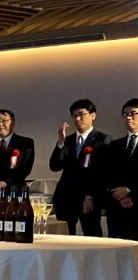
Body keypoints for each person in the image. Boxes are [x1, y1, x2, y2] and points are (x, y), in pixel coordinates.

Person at [50, 98, 111, 236]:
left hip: (87, 197)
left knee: (92, 234)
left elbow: (101, 172)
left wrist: (90, 196)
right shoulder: (67, 140)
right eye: (74, 115)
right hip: (65, 196)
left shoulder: (103, 139)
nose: (77, 119)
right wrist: (60, 143)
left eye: (81, 114)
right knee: (65, 236)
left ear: (93, 116)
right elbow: (54, 166)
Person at [104, 98, 138, 240]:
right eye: (125, 114)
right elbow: (106, 173)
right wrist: (120, 194)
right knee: (117, 248)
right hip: (117, 208)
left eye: (133, 113)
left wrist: (130, 190)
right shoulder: (114, 145)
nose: (128, 117)